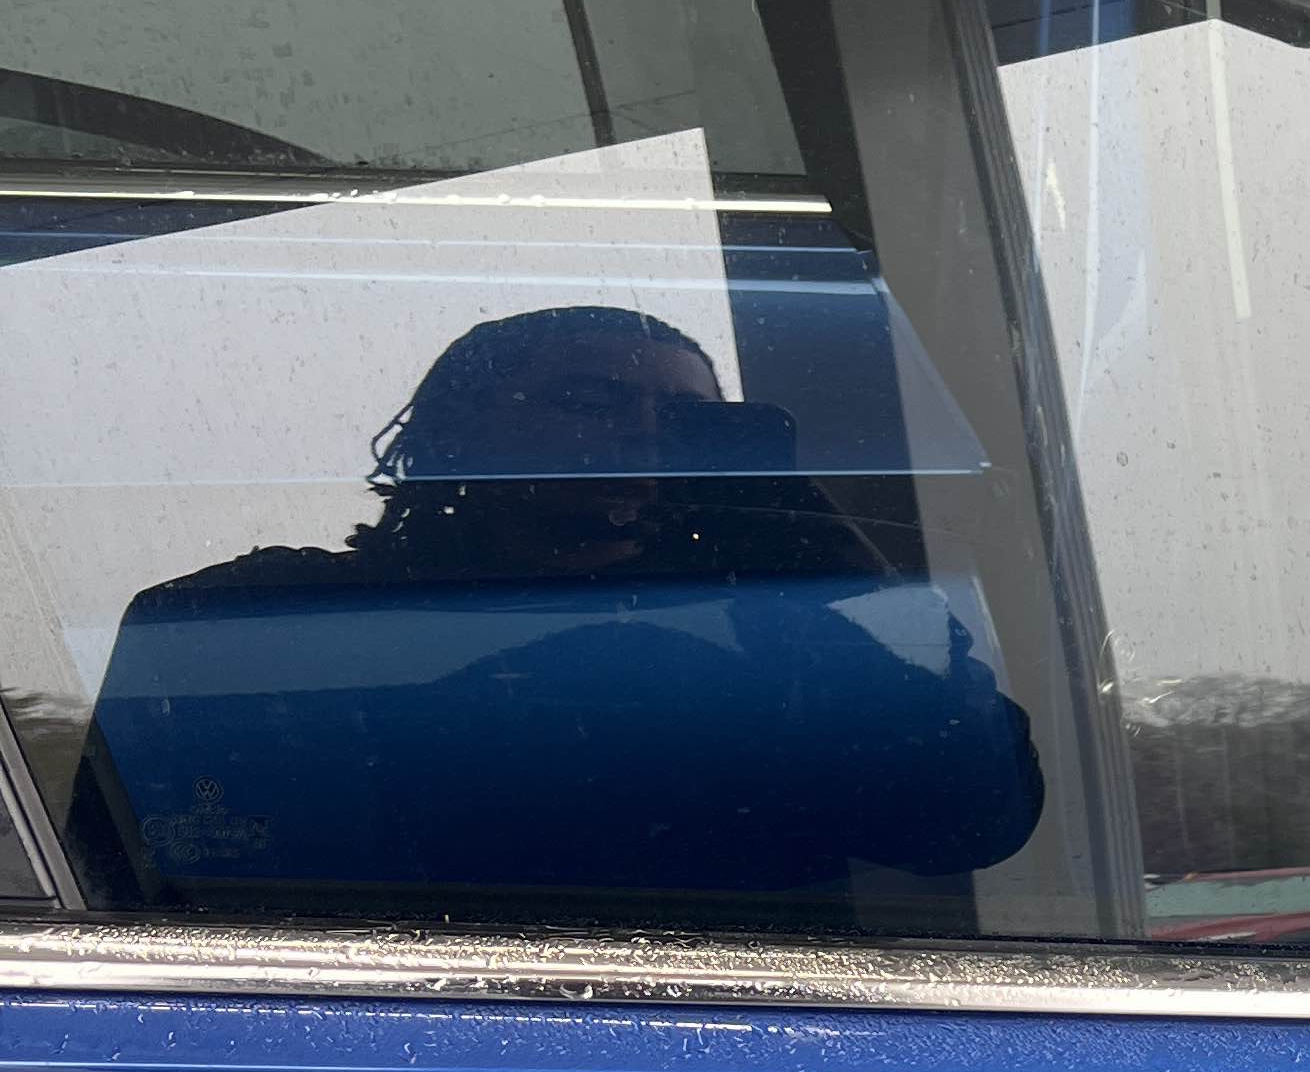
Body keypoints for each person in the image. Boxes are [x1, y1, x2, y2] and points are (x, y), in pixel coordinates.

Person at [84, 304, 1046, 918]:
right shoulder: (240, 620)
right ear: (455, 434)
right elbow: (155, 889)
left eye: (687, 423)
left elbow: (972, 821)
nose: (642, 437)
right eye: (590, 403)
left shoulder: (783, 629)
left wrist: (824, 563)